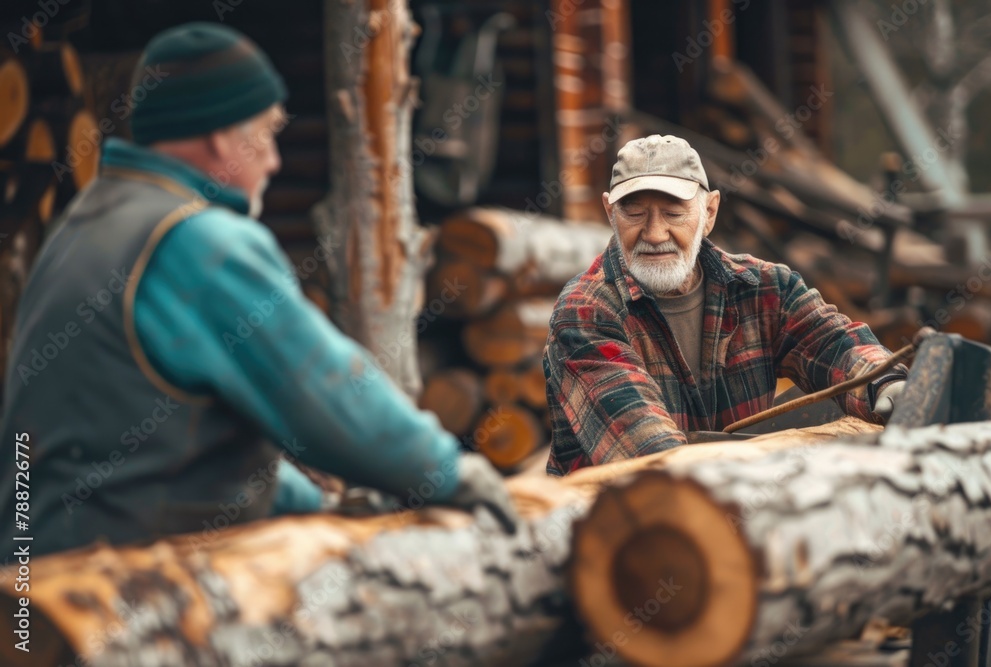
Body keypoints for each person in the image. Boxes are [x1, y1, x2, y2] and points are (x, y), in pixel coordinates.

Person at [0, 23, 516, 557]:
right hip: (127, 589)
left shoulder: (79, 225)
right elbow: (324, 388)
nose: (274, 161)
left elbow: (186, 444)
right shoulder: (197, 241)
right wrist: (448, 472)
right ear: (222, 135)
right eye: (267, 134)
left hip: (31, 579)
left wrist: (314, 505)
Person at [543, 134, 907, 476]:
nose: (654, 234)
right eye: (634, 213)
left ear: (710, 213)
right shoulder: (586, 313)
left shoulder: (763, 288)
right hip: (615, 529)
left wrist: (884, 384)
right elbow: (648, 450)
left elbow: (833, 343)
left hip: (732, 513)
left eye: (673, 213)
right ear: (610, 213)